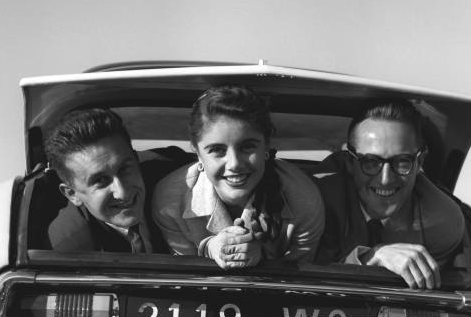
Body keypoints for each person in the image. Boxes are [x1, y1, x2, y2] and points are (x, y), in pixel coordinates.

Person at [152, 85, 325, 269]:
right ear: (197, 152)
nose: (234, 164)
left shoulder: (304, 200)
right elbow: (184, 277)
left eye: (247, 146)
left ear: (266, 146)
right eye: (217, 150)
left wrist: (263, 258)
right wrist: (210, 248)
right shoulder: (169, 200)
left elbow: (300, 279)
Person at [313, 99, 464, 289]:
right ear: (349, 163)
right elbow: (306, 282)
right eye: (370, 162)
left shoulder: (442, 221)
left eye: (402, 162)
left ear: (420, 162)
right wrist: (372, 257)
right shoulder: (314, 203)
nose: (385, 179)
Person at [45, 108, 187, 253]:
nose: (122, 193)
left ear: (137, 160)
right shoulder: (68, 246)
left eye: (124, 169)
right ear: (72, 194)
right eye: (100, 180)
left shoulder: (178, 181)